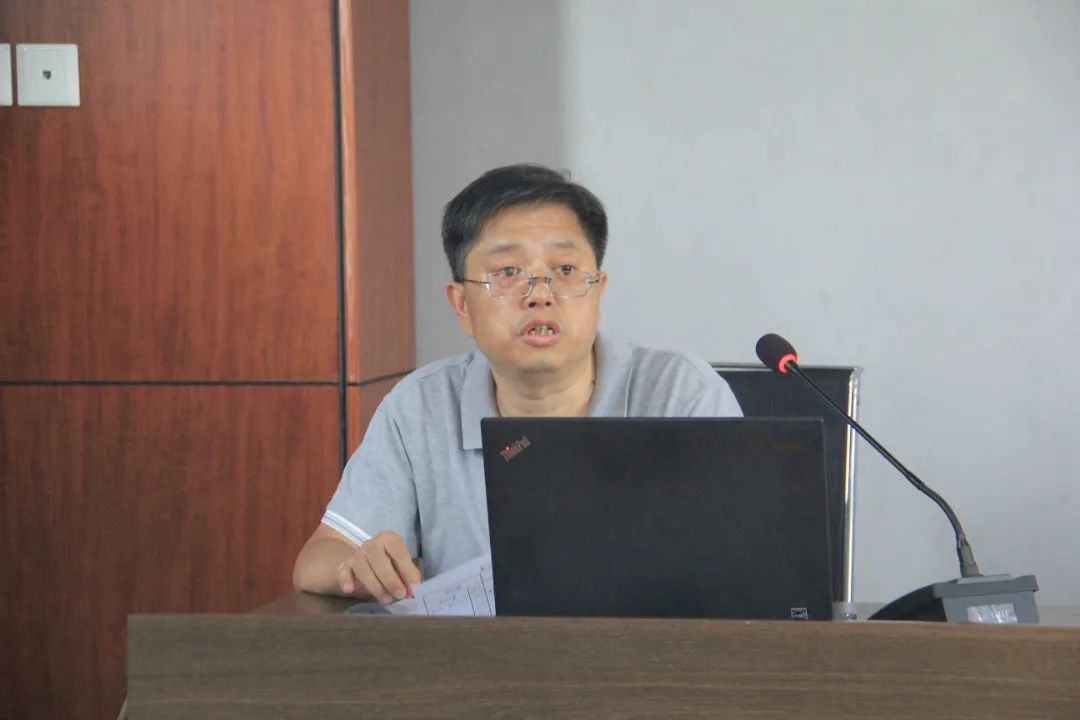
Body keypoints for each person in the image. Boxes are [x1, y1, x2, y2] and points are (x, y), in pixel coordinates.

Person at [292, 163, 742, 603]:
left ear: (598, 291)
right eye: (508, 273)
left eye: (565, 270)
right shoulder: (421, 407)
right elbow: (318, 558)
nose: (539, 294)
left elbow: (743, 560)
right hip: (476, 653)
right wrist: (354, 568)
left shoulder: (681, 395)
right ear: (462, 305)